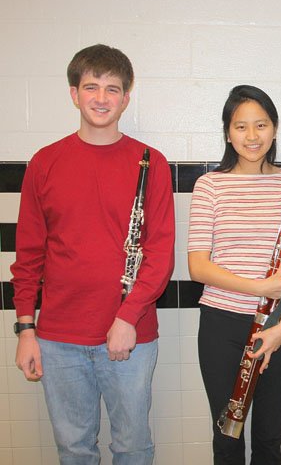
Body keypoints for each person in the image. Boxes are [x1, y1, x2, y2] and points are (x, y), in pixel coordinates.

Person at [11, 44, 175, 464]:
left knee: (133, 447)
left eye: (112, 88)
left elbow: (159, 255)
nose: (101, 98)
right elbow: (28, 254)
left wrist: (127, 316)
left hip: (130, 335)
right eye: (91, 87)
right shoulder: (44, 163)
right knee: (73, 449)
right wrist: (26, 329)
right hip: (57, 339)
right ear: (73, 94)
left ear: (126, 98)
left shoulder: (151, 162)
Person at [187, 85, 281, 465]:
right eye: (241, 127)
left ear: (274, 129)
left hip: (277, 325)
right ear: (227, 132)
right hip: (221, 325)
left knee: (269, 439)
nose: (252, 136)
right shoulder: (210, 186)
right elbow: (197, 267)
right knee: (227, 439)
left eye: (261, 125)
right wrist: (258, 286)